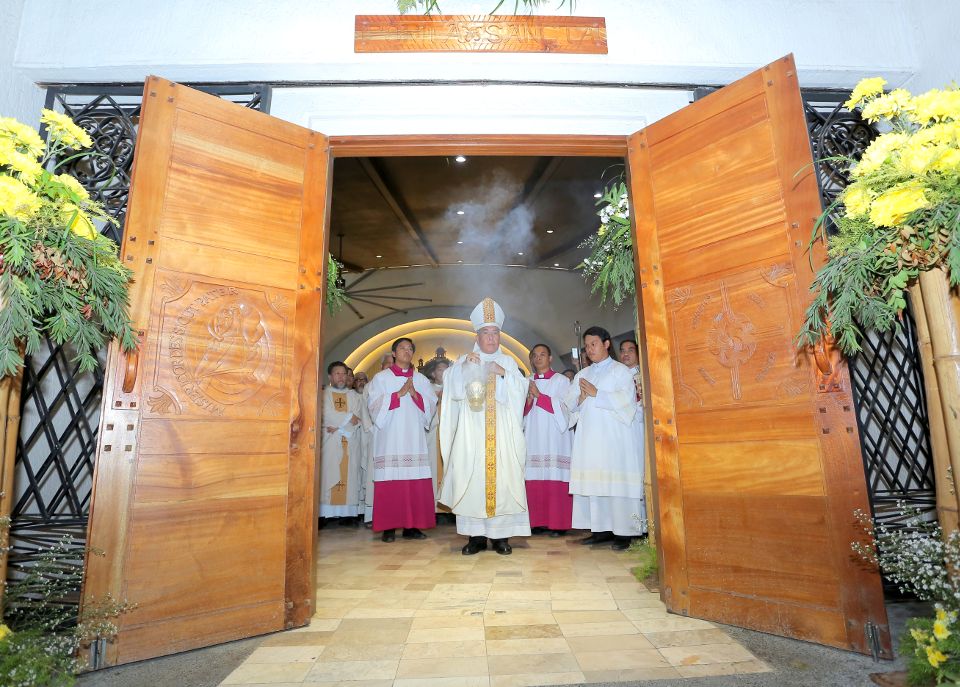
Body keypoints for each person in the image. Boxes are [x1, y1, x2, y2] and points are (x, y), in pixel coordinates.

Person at [440, 297, 530, 555]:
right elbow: (452, 389)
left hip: (502, 433)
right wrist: (465, 368)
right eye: (485, 333)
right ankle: (475, 537)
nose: (491, 338)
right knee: (472, 479)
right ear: (477, 336)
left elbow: (520, 391)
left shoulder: (510, 363)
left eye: (495, 333)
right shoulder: (464, 360)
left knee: (502, 480)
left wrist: (502, 373)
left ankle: (501, 537)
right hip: (472, 434)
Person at [566, 326, 644, 550]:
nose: (590, 349)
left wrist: (596, 393)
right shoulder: (582, 374)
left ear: (606, 344)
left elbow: (627, 401)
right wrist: (580, 398)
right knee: (596, 483)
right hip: (590, 439)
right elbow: (568, 406)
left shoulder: (621, 372)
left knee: (615, 483)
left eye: (594, 344)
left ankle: (623, 533)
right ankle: (600, 529)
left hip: (615, 439)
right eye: (587, 345)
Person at [366, 338, 438, 542]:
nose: (406, 351)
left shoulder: (421, 380)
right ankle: (388, 528)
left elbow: (431, 406)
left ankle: (412, 526)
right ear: (394, 353)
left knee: (414, 479)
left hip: (413, 437)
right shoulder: (380, 379)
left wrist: (415, 394)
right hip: (390, 438)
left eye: (410, 349)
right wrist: (398, 394)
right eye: (402, 348)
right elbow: (373, 406)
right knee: (390, 480)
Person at [523, 344, 574, 537]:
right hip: (534, 434)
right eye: (535, 355)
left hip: (555, 437)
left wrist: (539, 395)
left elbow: (565, 408)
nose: (538, 358)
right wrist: (528, 400)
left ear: (550, 358)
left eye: (542, 355)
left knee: (555, 475)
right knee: (534, 475)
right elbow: (520, 412)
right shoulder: (526, 381)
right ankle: (536, 522)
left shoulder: (562, 381)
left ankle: (558, 524)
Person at [320, 361, 363, 522]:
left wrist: (338, 428)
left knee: (350, 476)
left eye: (344, 374)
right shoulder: (324, 395)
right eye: (337, 373)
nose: (341, 377)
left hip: (350, 441)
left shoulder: (353, 396)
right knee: (328, 474)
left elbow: (358, 418)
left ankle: (348, 515)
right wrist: (347, 420)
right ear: (330, 376)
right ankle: (325, 514)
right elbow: (326, 415)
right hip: (330, 442)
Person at [618, 338, 648, 536]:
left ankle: (645, 525)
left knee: (641, 473)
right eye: (623, 350)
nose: (626, 353)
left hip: (640, 428)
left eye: (631, 350)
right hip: (621, 431)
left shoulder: (644, 373)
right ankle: (626, 526)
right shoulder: (617, 374)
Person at [361, 354, 396, 524]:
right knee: (374, 475)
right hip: (376, 435)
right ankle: (371, 515)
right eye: (387, 363)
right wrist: (371, 429)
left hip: (394, 437)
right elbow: (364, 408)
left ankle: (392, 514)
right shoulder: (372, 384)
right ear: (381, 366)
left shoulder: (399, 382)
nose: (390, 366)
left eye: (392, 363)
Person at [423, 358, 451, 513]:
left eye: (447, 369)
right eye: (440, 369)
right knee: (433, 467)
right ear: (433, 373)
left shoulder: (455, 389)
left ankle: (450, 508)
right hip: (433, 434)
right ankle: (433, 507)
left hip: (451, 436)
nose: (444, 372)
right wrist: (437, 399)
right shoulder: (427, 388)